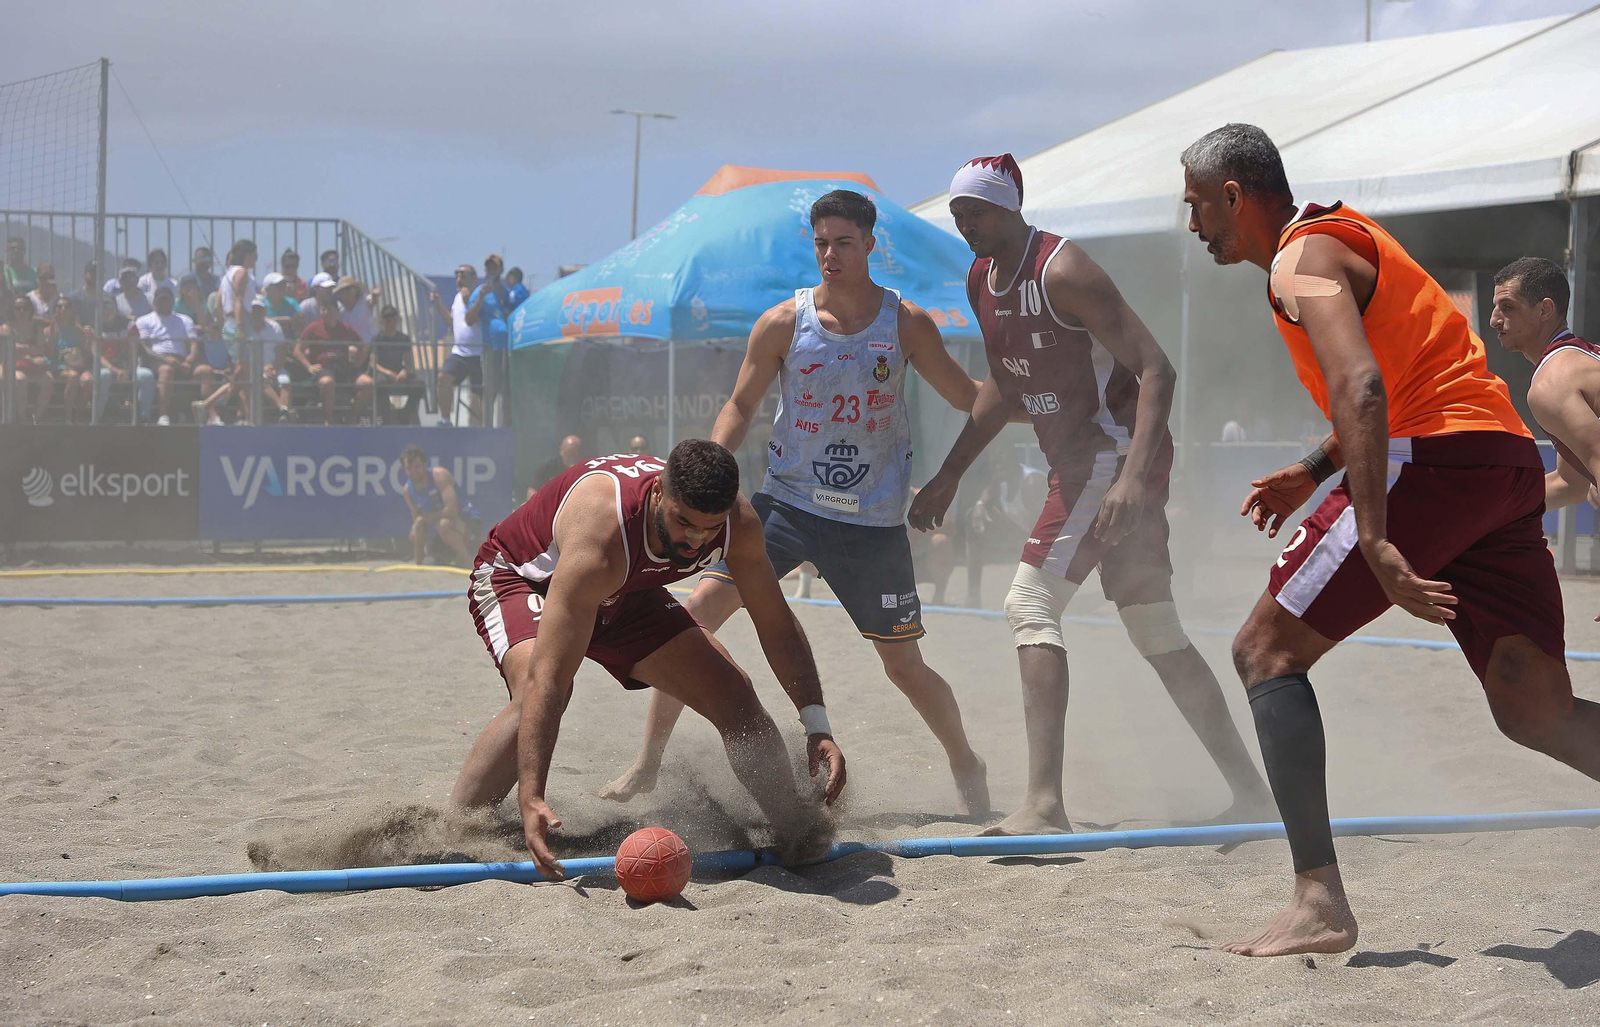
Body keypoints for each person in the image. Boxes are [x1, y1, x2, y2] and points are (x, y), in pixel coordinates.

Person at [1179, 123, 1600, 957]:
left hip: (1437, 466)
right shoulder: (1346, 232)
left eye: (1196, 206)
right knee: (1533, 705)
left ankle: (1318, 899)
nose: (1193, 227)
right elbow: (1400, 376)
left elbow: (1363, 385)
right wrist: (1311, 467)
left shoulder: (1300, 262)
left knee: (1265, 651)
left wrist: (1372, 536)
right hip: (1500, 460)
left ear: (1234, 195)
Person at [909, 153, 1272, 837]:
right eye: (958, 214)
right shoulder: (980, 279)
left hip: (1109, 460)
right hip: (1080, 467)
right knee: (1156, 629)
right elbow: (1004, 389)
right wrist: (950, 473)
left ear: (1011, 207)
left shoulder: (1064, 270)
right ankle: (1253, 792)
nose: (965, 224)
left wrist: (1134, 476)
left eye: (976, 211)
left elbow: (1156, 365)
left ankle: (1045, 804)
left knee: (1029, 601)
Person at [602, 190, 990, 816]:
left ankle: (964, 759)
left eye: (843, 242)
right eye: (821, 243)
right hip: (785, 507)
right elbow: (740, 406)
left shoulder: (907, 324)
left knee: (905, 666)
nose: (830, 254)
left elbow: (968, 395)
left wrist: (1047, 408)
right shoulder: (784, 322)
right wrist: (715, 471)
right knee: (692, 618)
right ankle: (648, 762)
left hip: (871, 522)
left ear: (870, 244)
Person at [450, 441, 843, 877]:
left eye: (709, 529)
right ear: (658, 493)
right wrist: (533, 793)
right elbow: (549, 680)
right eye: (684, 523)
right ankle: (454, 833)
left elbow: (777, 625)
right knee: (539, 694)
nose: (695, 541)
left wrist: (816, 722)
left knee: (732, 692)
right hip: (524, 578)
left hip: (625, 590)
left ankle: (794, 828)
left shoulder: (738, 524)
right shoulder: (602, 533)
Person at [1490, 257, 1600, 517]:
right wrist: (1483, 511)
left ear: (1544, 310)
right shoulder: (1582, 357)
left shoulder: (1551, 383)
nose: (1495, 319)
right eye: (1495, 306)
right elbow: (1570, 485)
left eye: (1508, 307)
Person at [136, 286, 214, 426]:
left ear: (173, 302)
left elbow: (194, 345)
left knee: (206, 370)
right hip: (157, 360)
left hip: (182, 360)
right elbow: (145, 348)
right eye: (161, 300)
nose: (164, 303)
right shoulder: (144, 320)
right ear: (154, 302)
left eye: (167, 300)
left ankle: (210, 415)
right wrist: (165, 359)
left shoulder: (185, 320)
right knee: (167, 370)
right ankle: (163, 416)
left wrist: (189, 361)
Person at [295, 290, 371, 425]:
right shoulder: (313, 328)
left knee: (368, 384)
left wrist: (358, 364)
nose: (325, 312)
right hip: (324, 368)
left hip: (344, 367)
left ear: (336, 311)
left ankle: (353, 416)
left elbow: (364, 347)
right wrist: (309, 366)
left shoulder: (346, 328)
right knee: (327, 383)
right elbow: (297, 350)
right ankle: (329, 419)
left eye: (329, 309)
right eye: (323, 309)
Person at [401, 444, 481, 566]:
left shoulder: (439, 475)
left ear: (424, 465)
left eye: (416, 466)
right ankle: (420, 561)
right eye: (408, 468)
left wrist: (425, 518)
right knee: (415, 532)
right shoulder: (407, 490)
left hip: (467, 520)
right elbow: (418, 521)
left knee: (444, 524)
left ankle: (467, 560)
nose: (413, 472)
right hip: (444, 532)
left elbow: (452, 510)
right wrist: (418, 560)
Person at [468, 254, 513, 427]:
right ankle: (486, 430)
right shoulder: (479, 292)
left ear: (501, 270)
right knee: (489, 394)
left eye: (494, 267)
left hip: (509, 351)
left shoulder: (507, 293)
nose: (491, 270)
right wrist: (480, 297)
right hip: (491, 350)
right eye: (488, 267)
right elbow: (469, 319)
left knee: (508, 395)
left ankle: (507, 431)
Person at [436, 264, 482, 426]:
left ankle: (476, 427)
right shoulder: (457, 297)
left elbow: (476, 319)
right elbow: (452, 323)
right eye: (457, 275)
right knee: (443, 379)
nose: (459, 279)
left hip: (478, 353)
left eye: (463, 275)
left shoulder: (479, 296)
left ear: (474, 279)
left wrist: (470, 300)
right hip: (460, 352)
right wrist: (439, 305)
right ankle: (446, 420)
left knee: (477, 394)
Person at [3, 295, 53, 423]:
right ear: (12, 310)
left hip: (32, 365)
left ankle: (38, 417)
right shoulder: (6, 327)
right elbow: (8, 349)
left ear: (30, 310)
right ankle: (22, 417)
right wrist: (30, 353)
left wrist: (21, 348)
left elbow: (42, 349)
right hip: (12, 364)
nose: (21, 311)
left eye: (25, 308)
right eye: (18, 308)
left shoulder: (36, 327)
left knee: (48, 379)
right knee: (20, 380)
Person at [370, 304, 423, 424]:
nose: (391, 323)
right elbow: (373, 363)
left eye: (394, 320)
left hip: (399, 372)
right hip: (384, 374)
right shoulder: (377, 339)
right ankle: (387, 418)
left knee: (419, 385)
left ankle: (405, 413)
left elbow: (409, 362)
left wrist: (404, 371)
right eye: (388, 320)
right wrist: (387, 372)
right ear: (382, 321)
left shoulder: (403, 339)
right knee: (380, 386)